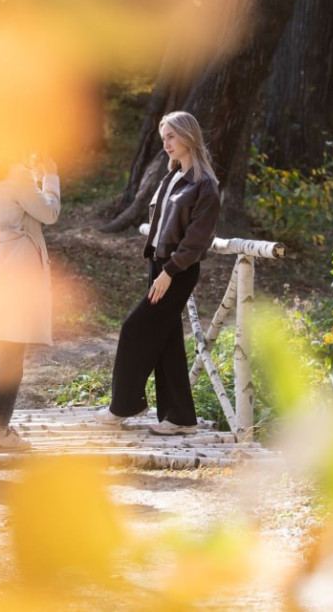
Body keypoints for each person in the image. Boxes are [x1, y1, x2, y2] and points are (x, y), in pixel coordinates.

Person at [95, 111, 221, 435]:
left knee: (133, 330)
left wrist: (168, 272)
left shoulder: (205, 185)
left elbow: (196, 240)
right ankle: (180, 417)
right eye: (163, 137)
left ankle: (124, 405)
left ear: (188, 137)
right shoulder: (174, 176)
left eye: (171, 137)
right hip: (160, 266)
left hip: (176, 271)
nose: (165, 144)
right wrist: (157, 264)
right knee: (167, 343)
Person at [0, 153, 61, 452]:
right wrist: (50, 176)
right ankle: (0, 430)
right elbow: (49, 213)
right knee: (12, 350)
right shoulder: (16, 174)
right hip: (17, 266)